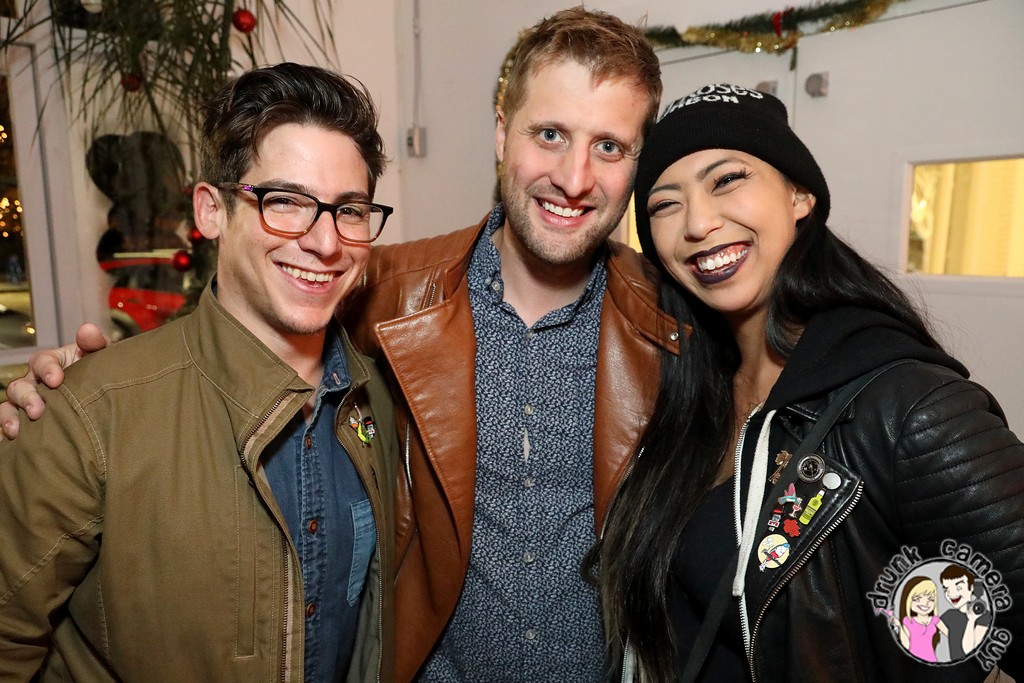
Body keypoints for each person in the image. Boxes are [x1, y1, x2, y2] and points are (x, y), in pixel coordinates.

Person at [1, 8, 673, 681]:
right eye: (284, 201)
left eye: (609, 147)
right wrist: (78, 399)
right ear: (502, 133)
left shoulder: (672, 326)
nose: (575, 176)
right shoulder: (391, 302)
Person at [594, 83, 1024, 682]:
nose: (698, 222)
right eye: (665, 205)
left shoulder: (906, 407)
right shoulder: (692, 389)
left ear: (800, 195)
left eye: (727, 179)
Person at [0, 63, 397, 681]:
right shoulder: (90, 414)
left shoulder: (384, 400)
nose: (326, 243)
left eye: (349, 211)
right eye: (285, 202)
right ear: (212, 211)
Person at [941, 565, 992, 660]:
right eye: (946, 589)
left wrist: (971, 620)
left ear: (971, 587)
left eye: (958, 588)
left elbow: (969, 651)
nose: (951, 594)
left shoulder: (984, 616)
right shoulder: (949, 615)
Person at [894, 577, 947, 662]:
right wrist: (899, 626)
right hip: (913, 662)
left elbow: (951, 635)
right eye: (917, 599)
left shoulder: (935, 620)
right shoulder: (908, 621)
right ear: (908, 600)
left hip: (932, 660)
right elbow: (906, 645)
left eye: (931, 599)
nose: (925, 603)